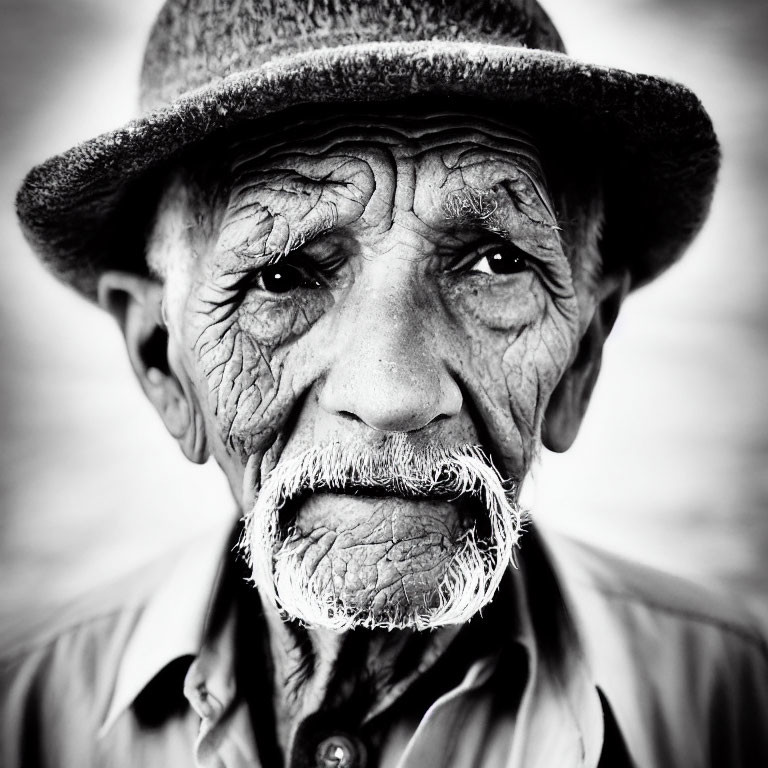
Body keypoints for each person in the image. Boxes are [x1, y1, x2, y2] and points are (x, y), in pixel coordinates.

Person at [3, 0, 767, 766]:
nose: (393, 395)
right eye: (281, 274)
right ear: (161, 357)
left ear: (582, 359)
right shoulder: (24, 716)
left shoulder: (735, 701)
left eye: (497, 264)